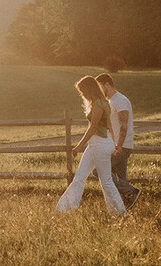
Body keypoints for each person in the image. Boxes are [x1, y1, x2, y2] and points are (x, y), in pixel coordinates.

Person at [55, 76, 127, 216]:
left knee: (106, 181)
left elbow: (93, 127)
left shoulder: (99, 104)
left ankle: (120, 212)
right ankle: (65, 209)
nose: (82, 94)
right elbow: (109, 126)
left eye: (82, 91)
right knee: (79, 177)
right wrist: (114, 144)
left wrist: (79, 146)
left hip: (99, 145)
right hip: (97, 145)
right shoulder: (102, 102)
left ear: (88, 89)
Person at [95, 73, 139, 206]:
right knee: (120, 178)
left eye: (99, 87)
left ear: (107, 84)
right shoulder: (112, 101)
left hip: (121, 146)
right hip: (117, 145)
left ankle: (131, 191)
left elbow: (123, 126)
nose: (99, 91)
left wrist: (118, 146)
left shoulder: (119, 100)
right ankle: (124, 208)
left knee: (98, 170)